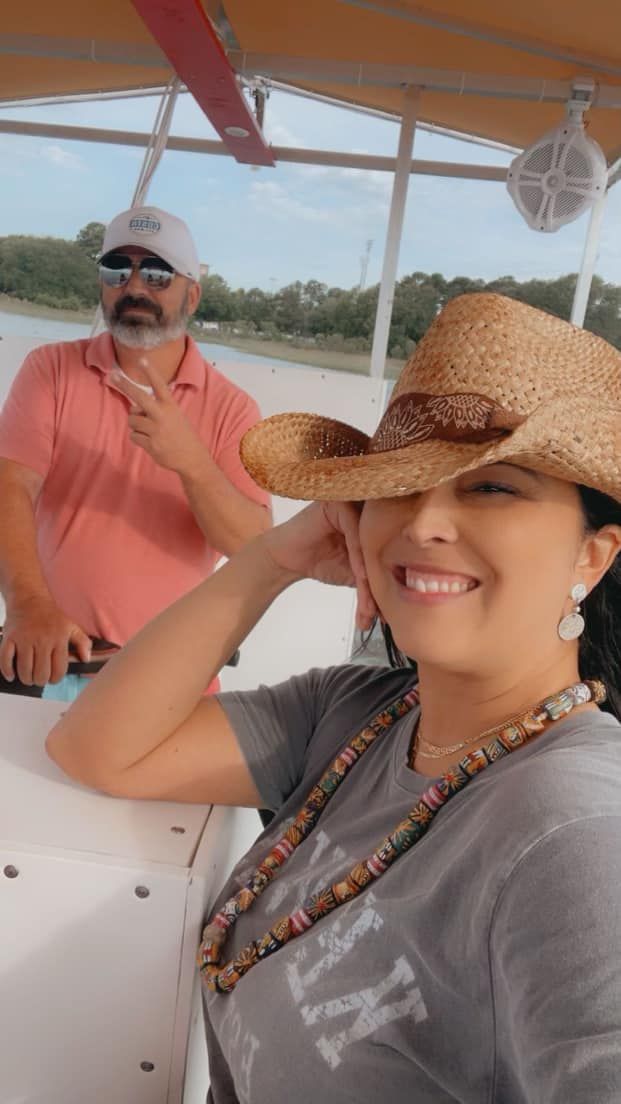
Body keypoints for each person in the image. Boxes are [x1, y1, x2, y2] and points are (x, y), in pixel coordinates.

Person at [46, 293, 621, 1102]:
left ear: (591, 557)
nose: (422, 524)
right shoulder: (357, 716)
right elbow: (99, 749)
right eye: (397, 484)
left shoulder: (576, 829)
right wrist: (273, 557)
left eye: (491, 488)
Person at [0, 206, 270, 701]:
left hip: (165, 678)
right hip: (46, 660)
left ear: (192, 293)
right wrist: (28, 605)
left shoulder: (232, 408)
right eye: (117, 270)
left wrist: (190, 462)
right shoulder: (50, 370)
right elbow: (10, 485)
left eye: (159, 273)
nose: (136, 287)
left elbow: (253, 546)